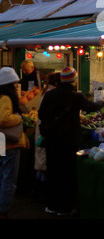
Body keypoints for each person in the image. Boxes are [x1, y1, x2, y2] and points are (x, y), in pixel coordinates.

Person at [38, 67, 104, 216]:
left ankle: (52, 205)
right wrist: (103, 102)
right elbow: (91, 107)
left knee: (54, 172)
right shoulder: (76, 96)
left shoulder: (50, 95)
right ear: (73, 80)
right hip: (68, 141)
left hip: (51, 140)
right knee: (67, 174)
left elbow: (41, 114)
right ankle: (65, 207)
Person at [0, 67, 30, 219]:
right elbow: (3, 119)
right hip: (9, 141)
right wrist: (18, 118)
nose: (17, 86)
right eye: (15, 84)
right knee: (9, 177)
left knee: (2, 175)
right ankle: (3, 209)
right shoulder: (5, 98)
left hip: (1, 140)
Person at [33, 72, 61, 202]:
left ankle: (38, 192)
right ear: (57, 83)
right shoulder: (52, 94)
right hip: (46, 132)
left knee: (41, 162)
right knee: (44, 164)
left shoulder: (46, 92)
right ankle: (42, 194)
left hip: (41, 130)